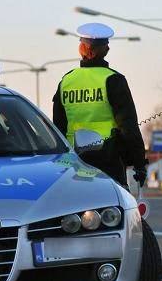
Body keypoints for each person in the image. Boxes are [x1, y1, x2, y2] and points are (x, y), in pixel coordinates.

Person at [52, 22, 147, 189]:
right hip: (109, 161)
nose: (108, 47)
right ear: (104, 50)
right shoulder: (113, 80)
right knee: (114, 209)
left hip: (75, 163)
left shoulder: (66, 81)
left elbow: (58, 127)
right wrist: (139, 163)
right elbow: (128, 126)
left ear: (81, 49)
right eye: (106, 45)